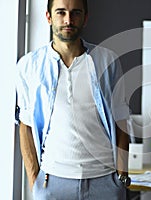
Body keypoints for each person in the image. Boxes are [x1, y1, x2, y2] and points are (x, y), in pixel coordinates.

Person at [15, 0, 131, 199]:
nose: (68, 20)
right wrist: (35, 180)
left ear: (85, 18)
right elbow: (25, 125)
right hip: (53, 182)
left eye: (75, 13)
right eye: (61, 12)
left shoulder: (107, 60)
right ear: (48, 17)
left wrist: (121, 176)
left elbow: (121, 120)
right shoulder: (29, 66)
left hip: (104, 181)